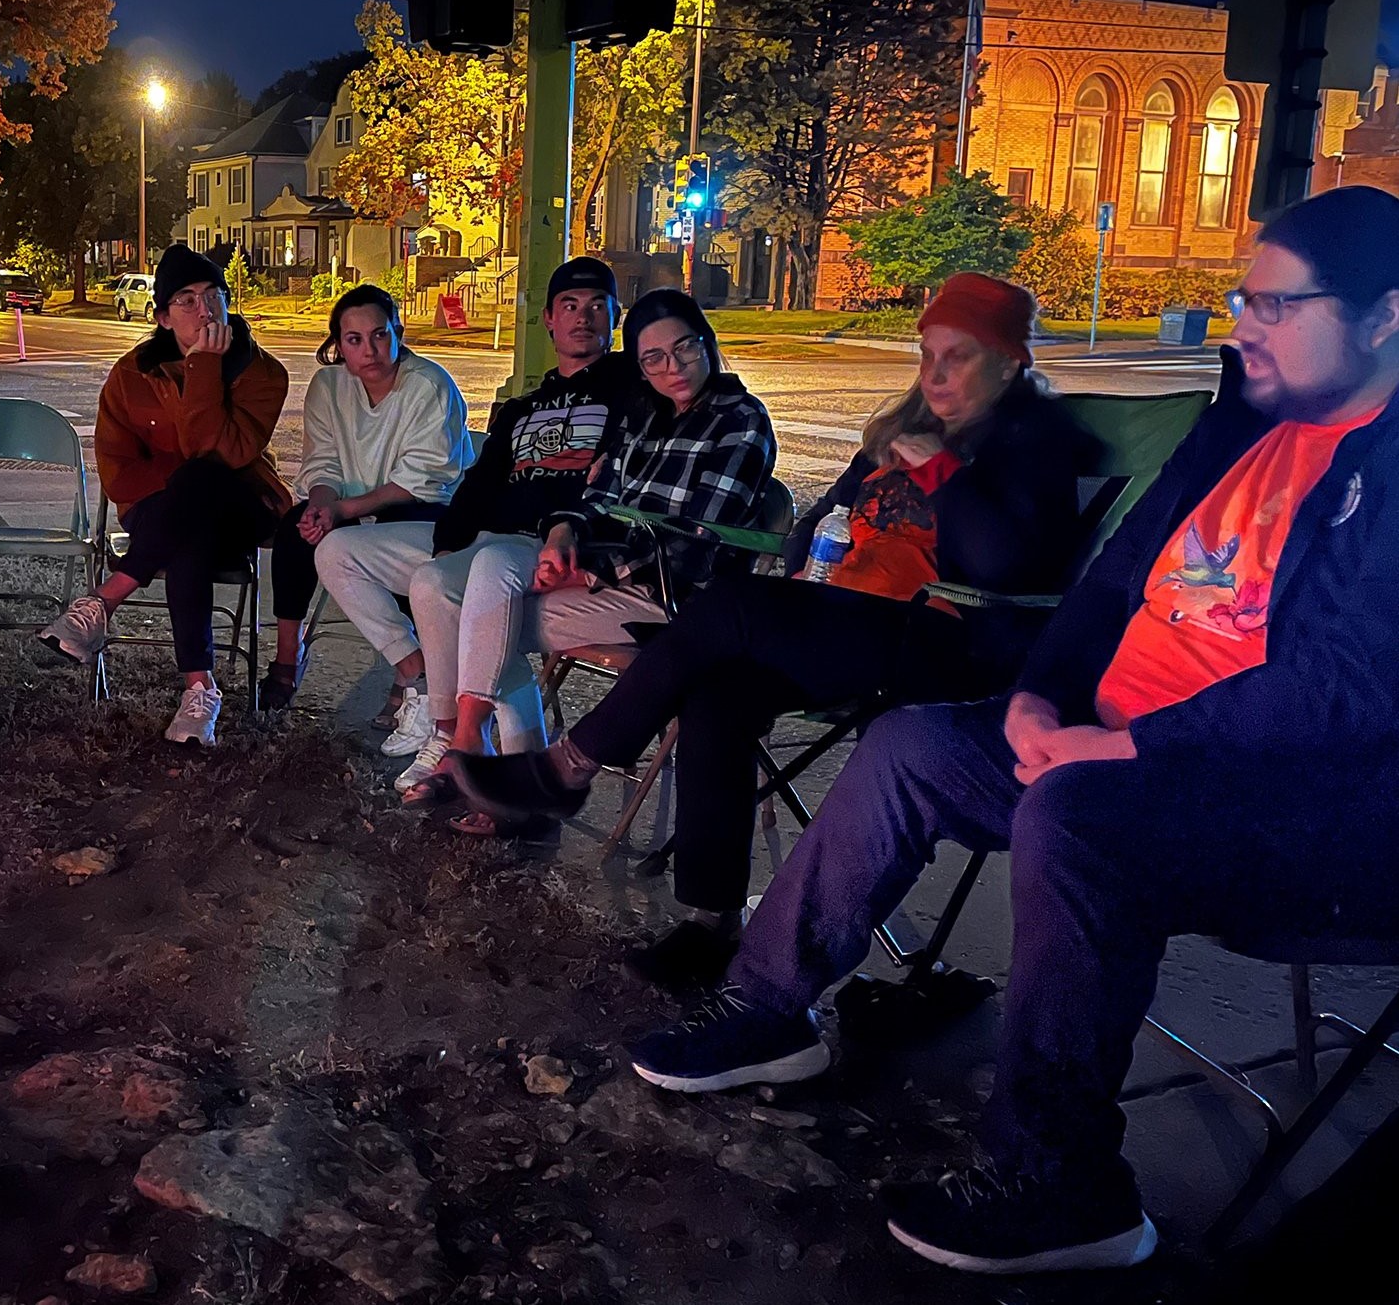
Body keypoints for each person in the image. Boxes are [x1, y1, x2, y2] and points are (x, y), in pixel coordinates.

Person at [620, 188, 1399, 1276]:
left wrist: (1126, 749)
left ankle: (1063, 1179)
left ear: (1385, 315)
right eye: (1241, 299)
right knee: (912, 747)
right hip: (1111, 743)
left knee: (1079, 814)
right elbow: (1111, 580)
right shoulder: (1241, 426)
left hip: (1287, 803)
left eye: (1275, 305)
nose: (1241, 326)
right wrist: (1042, 695)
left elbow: (1348, 691)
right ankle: (769, 1009)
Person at [452, 272, 1089, 971]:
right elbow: (819, 518)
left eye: (957, 356)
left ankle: (567, 766)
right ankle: (709, 920)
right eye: (926, 353)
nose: (934, 374)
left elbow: (1005, 564)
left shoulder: (1033, 437)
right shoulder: (909, 424)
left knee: (725, 604)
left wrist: (939, 472)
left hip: (943, 636)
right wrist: (806, 564)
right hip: (848, 617)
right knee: (716, 692)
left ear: (1007, 359)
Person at [437, 287, 778, 833]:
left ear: (707, 343)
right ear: (640, 368)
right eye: (654, 359)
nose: (674, 368)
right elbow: (597, 497)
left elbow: (697, 537)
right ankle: (507, 778)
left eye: (686, 348)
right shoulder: (641, 416)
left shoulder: (740, 419)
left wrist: (591, 567)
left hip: (676, 600)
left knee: (483, 621)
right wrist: (566, 535)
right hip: (612, 578)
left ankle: (482, 763)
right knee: (492, 579)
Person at [350, 257, 648, 794]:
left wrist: (559, 523)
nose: (582, 318)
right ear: (549, 321)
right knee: (430, 577)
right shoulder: (520, 408)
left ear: (615, 318)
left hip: (558, 544)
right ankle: (464, 742)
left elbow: (618, 475)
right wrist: (446, 543)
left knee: (466, 591)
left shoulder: (632, 390)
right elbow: (480, 483)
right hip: (495, 542)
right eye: (569, 307)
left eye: (596, 307)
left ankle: (473, 747)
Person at [36, 244, 291, 746]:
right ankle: (200, 689)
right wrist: (181, 477)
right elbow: (120, 477)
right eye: (187, 299)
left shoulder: (261, 372)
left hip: (241, 509)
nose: (205, 309)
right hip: (163, 517)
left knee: (204, 480)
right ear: (162, 317)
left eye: (214, 295)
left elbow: (225, 453)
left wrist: (203, 368)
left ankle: (102, 603)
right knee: (189, 521)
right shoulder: (133, 374)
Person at [262, 284, 473, 710]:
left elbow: (422, 479)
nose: (369, 350)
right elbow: (323, 461)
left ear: (398, 331)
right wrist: (322, 506)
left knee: (397, 539)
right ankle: (288, 655)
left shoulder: (429, 386)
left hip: (425, 505)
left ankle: (411, 668)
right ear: (339, 345)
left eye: (380, 335)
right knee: (294, 530)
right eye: (354, 340)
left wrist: (343, 510)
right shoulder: (329, 386)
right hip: (350, 503)